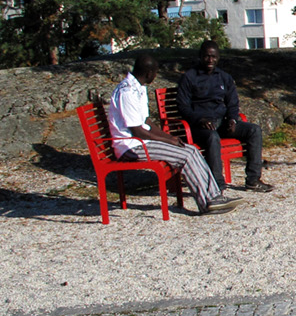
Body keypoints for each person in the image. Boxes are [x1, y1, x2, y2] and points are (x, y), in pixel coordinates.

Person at [108, 52, 247, 216]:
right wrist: (167, 142)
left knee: (191, 150)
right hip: (131, 147)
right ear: (149, 73)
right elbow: (138, 131)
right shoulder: (128, 92)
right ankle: (206, 203)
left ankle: (215, 196)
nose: (155, 76)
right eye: (155, 72)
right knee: (185, 156)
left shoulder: (139, 87)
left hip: (141, 142)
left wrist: (171, 138)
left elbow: (147, 122)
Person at [177, 40, 273, 192]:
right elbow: (183, 107)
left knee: (254, 130)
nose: (210, 60)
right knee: (212, 137)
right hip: (200, 127)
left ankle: (253, 180)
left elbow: (232, 103)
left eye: (214, 57)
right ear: (200, 56)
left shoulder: (224, 77)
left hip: (222, 123)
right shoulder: (189, 78)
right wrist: (199, 119)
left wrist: (233, 119)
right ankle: (217, 184)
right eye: (207, 56)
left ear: (218, 57)